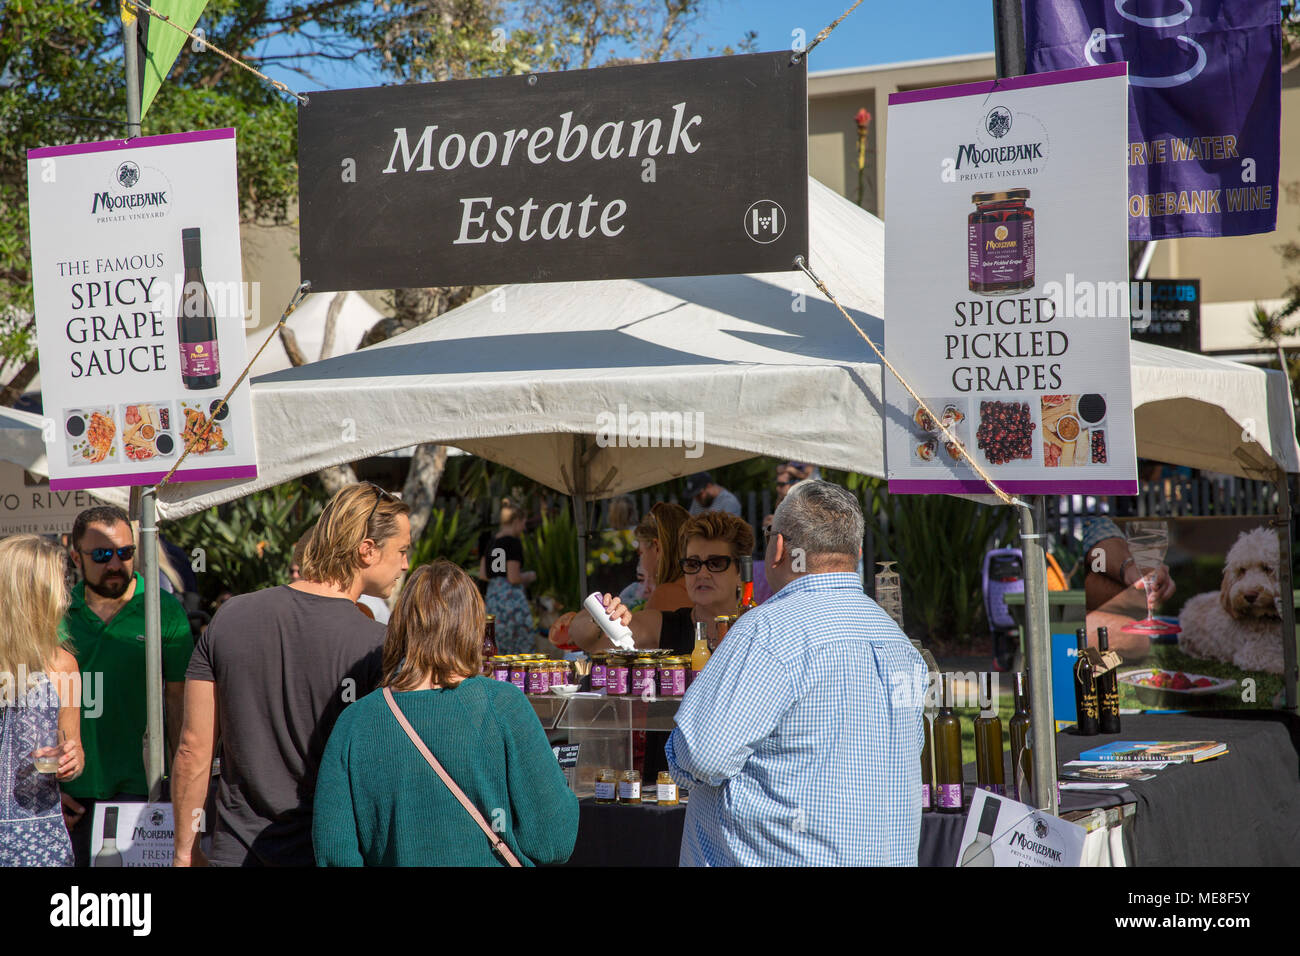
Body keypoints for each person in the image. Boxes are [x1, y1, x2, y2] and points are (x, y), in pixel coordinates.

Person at [666, 479, 926, 866]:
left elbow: (702, 755)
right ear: (855, 552)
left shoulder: (765, 631)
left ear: (779, 548)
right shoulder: (897, 641)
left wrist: (676, 758)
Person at [172, 483, 411, 867]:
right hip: (329, 852)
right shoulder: (379, 645)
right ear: (367, 550)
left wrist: (185, 850)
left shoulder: (231, 617)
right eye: (402, 550)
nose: (405, 565)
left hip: (235, 851)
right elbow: (385, 773)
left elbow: (193, 751)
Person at [313, 561, 578, 866]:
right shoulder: (505, 706)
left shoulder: (354, 723)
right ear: (473, 628)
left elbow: (335, 852)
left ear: (401, 626)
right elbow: (554, 840)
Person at [61, 505, 192, 867]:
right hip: (72, 794)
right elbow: (35, 706)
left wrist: (182, 786)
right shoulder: (56, 614)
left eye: (125, 553)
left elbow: (180, 700)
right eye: (102, 555)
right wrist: (46, 789)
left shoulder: (163, 610)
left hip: (144, 790)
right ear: (76, 556)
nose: (115, 564)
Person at [556, 511, 754, 654]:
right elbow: (593, 644)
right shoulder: (664, 626)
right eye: (693, 564)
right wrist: (598, 615)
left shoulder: (762, 629)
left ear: (741, 571)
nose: (702, 573)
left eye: (715, 563)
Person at [0, 535, 84, 866]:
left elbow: (73, 750)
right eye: (58, 585)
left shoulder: (64, 665)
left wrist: (70, 761)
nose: (64, 597)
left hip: (39, 838)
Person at [1081, 516, 1172, 659]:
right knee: (1135, 640)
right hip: (1044, 592)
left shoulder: (1076, 501)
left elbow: (1093, 526)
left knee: (1140, 595)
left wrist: (1129, 566)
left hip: (1069, 574)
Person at [479, 498, 538, 655]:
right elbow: (513, 577)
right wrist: (529, 576)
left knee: (498, 643)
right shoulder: (513, 542)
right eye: (523, 522)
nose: (524, 527)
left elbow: (483, 574)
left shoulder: (491, 541)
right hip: (510, 600)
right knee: (519, 647)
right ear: (516, 521)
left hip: (493, 597)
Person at [633, 501, 692, 612]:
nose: (640, 559)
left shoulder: (665, 596)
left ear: (657, 548)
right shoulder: (699, 587)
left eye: (641, 552)